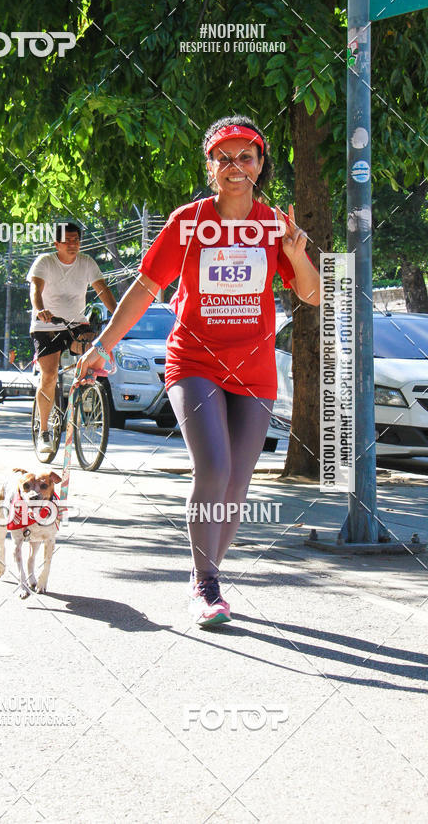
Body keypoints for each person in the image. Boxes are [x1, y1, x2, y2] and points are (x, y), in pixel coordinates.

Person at [76, 116, 320, 627]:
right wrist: (103, 344)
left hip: (253, 369)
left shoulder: (274, 225)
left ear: (261, 165)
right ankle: (206, 584)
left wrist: (296, 256)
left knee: (238, 483)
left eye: (246, 157)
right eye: (224, 158)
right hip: (195, 362)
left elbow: (312, 293)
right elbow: (146, 287)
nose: (235, 166)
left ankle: (208, 570)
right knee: (214, 467)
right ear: (210, 167)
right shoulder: (188, 222)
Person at [28, 221, 117, 454]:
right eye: (67, 240)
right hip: (46, 325)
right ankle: (44, 431)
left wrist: (119, 315)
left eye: (76, 240)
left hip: (76, 323)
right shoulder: (45, 262)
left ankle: (87, 388)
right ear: (56, 243)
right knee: (49, 375)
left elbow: (102, 290)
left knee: (94, 348)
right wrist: (40, 309)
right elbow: (35, 289)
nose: (72, 244)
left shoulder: (86, 262)